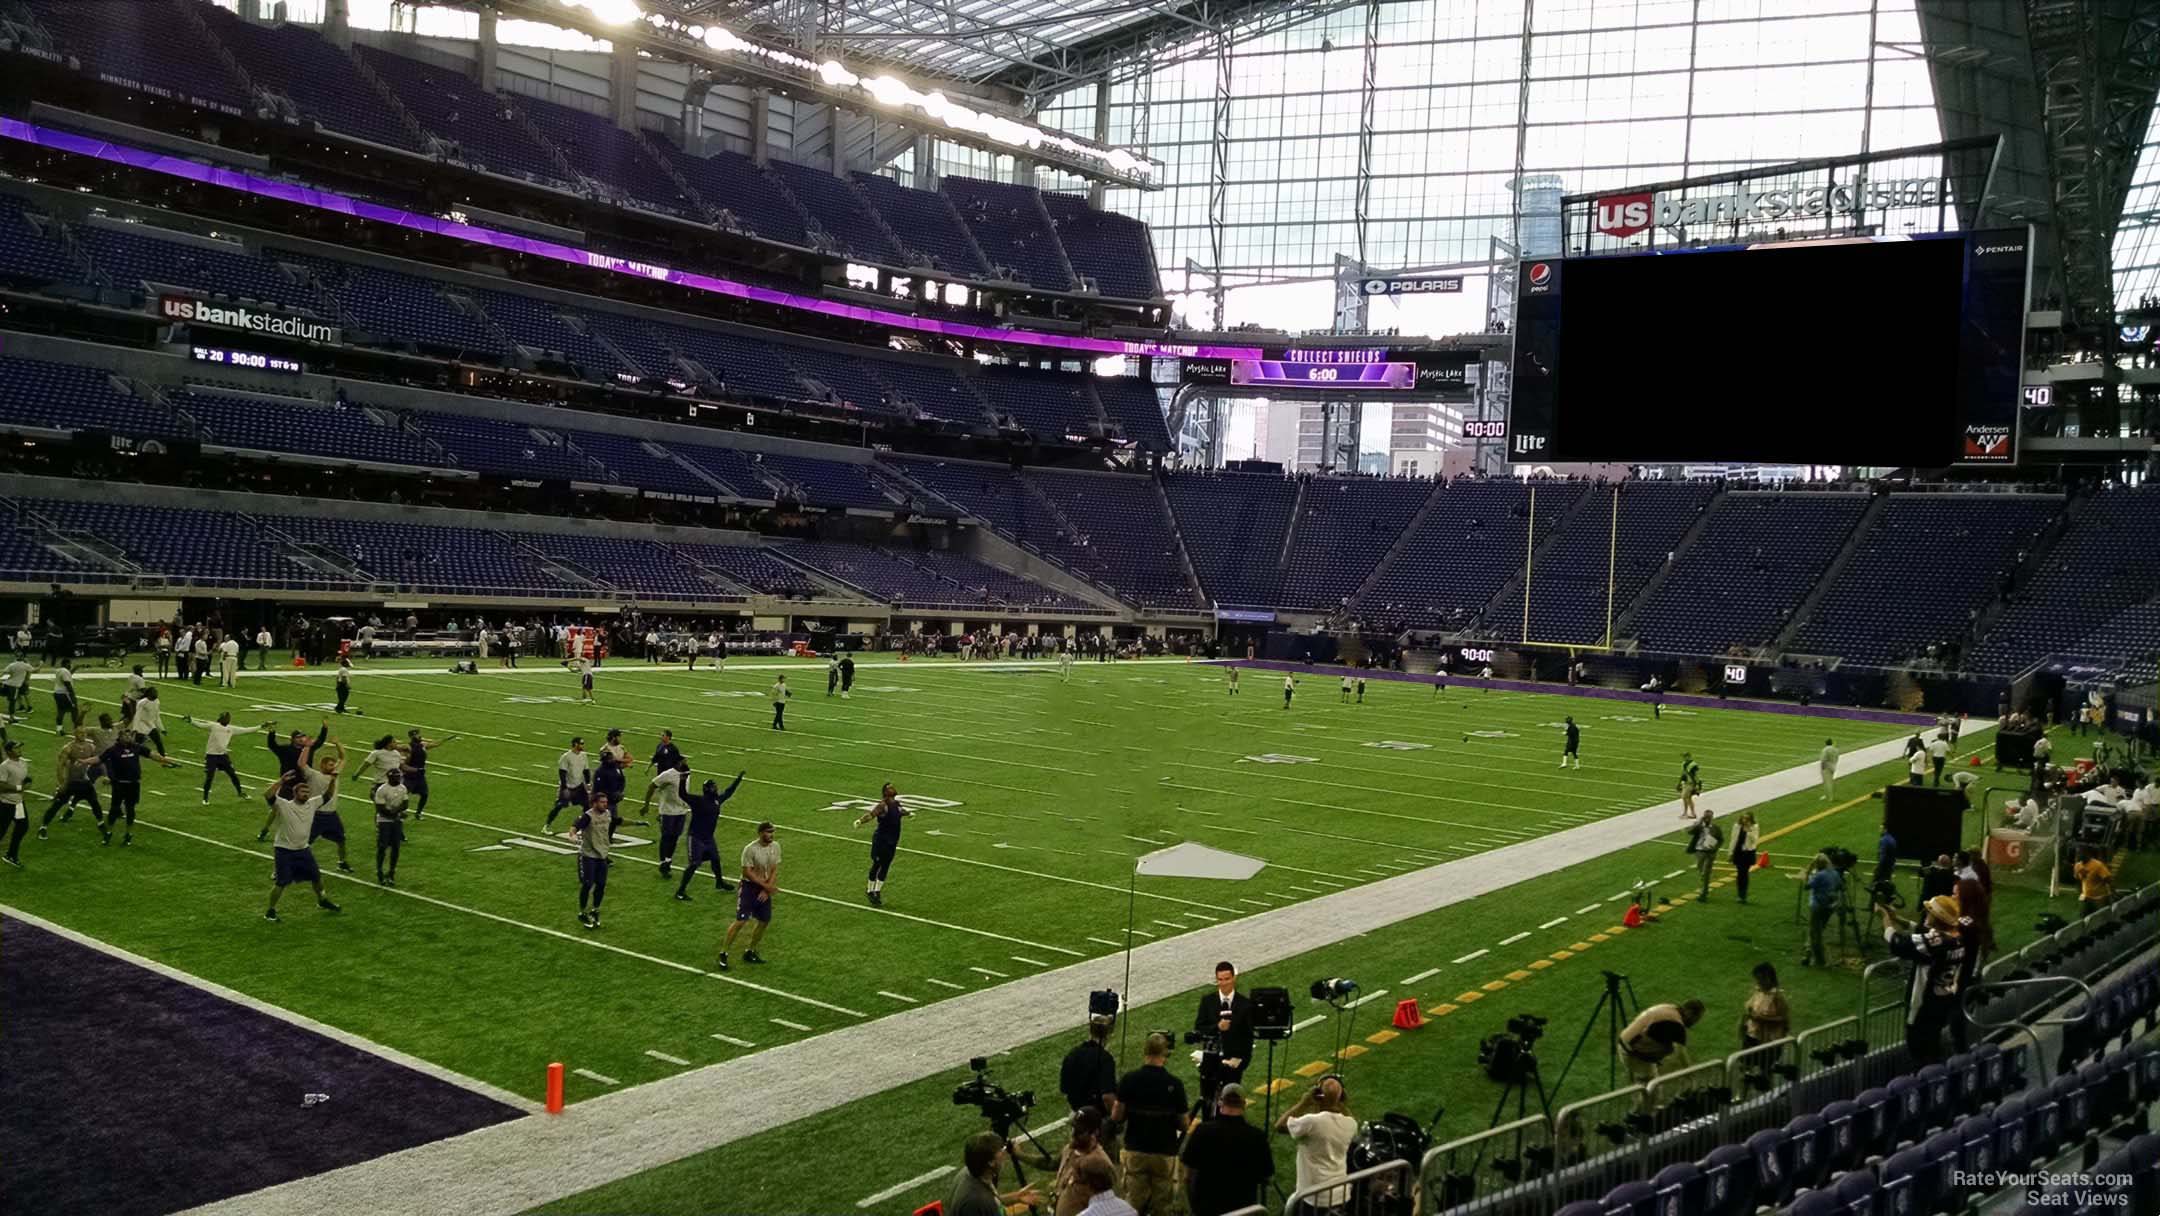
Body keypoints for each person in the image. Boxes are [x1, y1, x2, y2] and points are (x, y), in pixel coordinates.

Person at [1881, 895, 1964, 1063]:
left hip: (1923, 1008)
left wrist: (1885, 918)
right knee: (1932, 1046)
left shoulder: (1936, 943)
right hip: (1942, 1003)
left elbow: (1897, 942)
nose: (1926, 913)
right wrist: (1898, 919)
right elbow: (1926, 934)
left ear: (1938, 918)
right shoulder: (1958, 938)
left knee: (1919, 1053)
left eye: (1930, 912)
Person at [1112, 1032, 1188, 1216]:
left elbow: (1116, 1115)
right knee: (1162, 1207)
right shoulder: (1174, 1084)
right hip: (1164, 1151)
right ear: (1165, 1054)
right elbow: (1184, 1124)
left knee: (1133, 1204)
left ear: (1145, 1052)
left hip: (1136, 1149)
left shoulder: (1129, 1079)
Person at [257, 769, 341, 921]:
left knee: (316, 876)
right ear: (295, 794)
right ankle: (270, 911)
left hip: (303, 849)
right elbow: (267, 795)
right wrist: (281, 781)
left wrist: (333, 781)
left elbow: (327, 796)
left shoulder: (312, 804)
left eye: (307, 792)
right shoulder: (284, 805)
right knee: (281, 882)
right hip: (284, 850)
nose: (306, 794)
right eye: (303, 792)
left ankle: (322, 900)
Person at [1181, 1083, 1272, 1216]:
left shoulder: (1202, 1131)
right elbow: (1266, 1175)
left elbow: (1187, 1176)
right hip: (1243, 1210)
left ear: (1220, 1102)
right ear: (1244, 1104)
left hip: (1206, 1208)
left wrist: (1194, 1208)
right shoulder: (1257, 1136)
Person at [1277, 1075, 1355, 1215]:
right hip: (1340, 1194)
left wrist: (1304, 1102)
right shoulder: (1351, 1124)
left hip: (1313, 1197)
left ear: (1319, 1095)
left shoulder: (1312, 1122)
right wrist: (1338, 1101)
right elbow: (1345, 1114)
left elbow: (1280, 1125)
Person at [717, 820, 779, 970]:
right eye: (768, 832)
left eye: (772, 832)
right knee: (741, 921)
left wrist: (766, 889)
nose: (771, 835)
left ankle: (750, 951)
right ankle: (724, 952)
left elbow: (774, 869)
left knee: (764, 921)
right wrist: (766, 886)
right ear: (760, 833)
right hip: (749, 888)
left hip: (763, 887)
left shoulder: (775, 847)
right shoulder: (750, 849)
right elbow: (747, 872)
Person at [1192, 961, 1254, 1106]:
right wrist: (1217, 1027)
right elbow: (1199, 1028)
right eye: (1220, 979)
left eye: (1227, 979)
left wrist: (1241, 1061)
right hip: (1211, 1061)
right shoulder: (1207, 1001)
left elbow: (1248, 1037)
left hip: (1233, 1064)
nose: (1223, 983)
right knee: (1207, 1102)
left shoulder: (1245, 1004)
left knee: (1230, 1102)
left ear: (1234, 978)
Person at [1060, 1017, 1121, 1161]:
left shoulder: (1072, 1055)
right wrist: (1116, 1119)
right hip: (1098, 1123)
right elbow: (1107, 1096)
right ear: (1108, 1034)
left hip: (1078, 1118)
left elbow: (1064, 1089)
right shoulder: (1105, 1059)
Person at [675, 772, 742, 899]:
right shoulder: (698, 801)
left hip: (708, 838)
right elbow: (682, 794)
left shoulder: (716, 801)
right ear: (708, 789)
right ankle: (680, 891)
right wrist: (682, 780)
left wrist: (738, 780)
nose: (716, 789)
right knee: (694, 864)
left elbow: (728, 792)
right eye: (713, 787)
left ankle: (719, 882)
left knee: (715, 859)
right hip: (696, 837)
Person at [944, 1131, 1041, 1216]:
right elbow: (987, 1205)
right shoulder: (978, 1201)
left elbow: (994, 1201)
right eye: (1001, 1150)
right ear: (990, 1162)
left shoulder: (971, 1173)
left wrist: (1016, 1197)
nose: (1005, 1153)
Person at [1619, 999, 1704, 1089]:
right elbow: (1681, 1054)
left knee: (1666, 1049)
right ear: (1689, 1013)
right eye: (1696, 1019)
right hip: (1631, 1052)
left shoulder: (1670, 1008)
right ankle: (1641, 1079)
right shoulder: (1676, 1024)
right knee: (1654, 1089)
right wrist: (1691, 1074)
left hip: (1625, 1041)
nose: (1695, 1022)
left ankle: (1637, 1076)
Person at [39, 728, 104, 842]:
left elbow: (98, 761)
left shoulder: (91, 747)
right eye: (80, 733)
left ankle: (102, 825)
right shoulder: (68, 748)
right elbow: (60, 766)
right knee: (57, 805)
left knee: (95, 803)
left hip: (84, 782)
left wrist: (104, 774)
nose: (83, 735)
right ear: (75, 734)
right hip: (71, 781)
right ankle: (43, 827)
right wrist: (62, 783)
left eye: (84, 733)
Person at [852, 781, 911, 906]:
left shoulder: (896, 804)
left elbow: (900, 811)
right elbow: (871, 815)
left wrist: (909, 813)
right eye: (889, 788)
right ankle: (870, 890)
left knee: (886, 866)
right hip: (881, 840)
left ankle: (877, 891)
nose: (892, 788)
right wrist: (860, 821)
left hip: (892, 840)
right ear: (885, 792)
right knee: (877, 864)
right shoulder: (883, 805)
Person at [1054, 1107, 1120, 1216]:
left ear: (1095, 1133)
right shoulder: (1069, 1150)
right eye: (1073, 1128)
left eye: (1079, 1131)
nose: (1073, 1134)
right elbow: (1052, 1164)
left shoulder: (1099, 1163)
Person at [188, 712, 261, 803]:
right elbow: (201, 725)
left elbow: (246, 730)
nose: (227, 720)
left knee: (233, 775)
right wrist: (191, 721)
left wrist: (261, 726)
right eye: (226, 718)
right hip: (211, 756)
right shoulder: (214, 726)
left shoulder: (231, 729)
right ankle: (205, 798)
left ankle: (240, 792)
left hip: (222, 756)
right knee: (210, 777)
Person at [572, 792, 614, 929]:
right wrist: (572, 836)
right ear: (594, 803)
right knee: (587, 884)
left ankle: (595, 910)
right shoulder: (588, 816)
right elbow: (575, 827)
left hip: (602, 855)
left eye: (606, 802)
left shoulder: (607, 814)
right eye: (602, 802)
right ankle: (583, 912)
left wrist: (636, 823)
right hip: (588, 855)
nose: (605, 804)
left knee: (601, 884)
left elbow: (618, 821)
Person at [645, 756, 692, 878]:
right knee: (666, 836)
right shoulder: (667, 774)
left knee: (675, 837)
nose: (685, 763)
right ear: (677, 763)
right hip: (668, 811)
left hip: (681, 810)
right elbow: (652, 786)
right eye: (683, 761)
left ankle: (668, 859)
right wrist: (646, 805)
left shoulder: (687, 773)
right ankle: (663, 863)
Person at [98, 729, 143, 847]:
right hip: (119, 784)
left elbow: (152, 754)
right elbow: (99, 759)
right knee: (114, 809)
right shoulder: (113, 750)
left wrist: (165, 760)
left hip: (133, 784)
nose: (128, 737)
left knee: (130, 810)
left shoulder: (136, 747)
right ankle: (108, 833)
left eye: (129, 735)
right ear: (120, 737)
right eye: (125, 735)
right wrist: (84, 761)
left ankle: (128, 834)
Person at [1802, 853, 1843, 966]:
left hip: (1817, 906)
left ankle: (1819, 960)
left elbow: (1806, 886)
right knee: (1818, 930)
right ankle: (1808, 953)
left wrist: (1807, 873)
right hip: (1829, 906)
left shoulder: (1819, 875)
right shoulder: (1834, 873)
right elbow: (1840, 886)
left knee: (1815, 933)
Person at [1738, 963, 1791, 1048]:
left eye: (1760, 979)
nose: (1758, 982)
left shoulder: (1777, 996)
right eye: (1757, 979)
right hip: (1752, 1035)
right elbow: (1750, 1011)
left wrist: (1762, 1019)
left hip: (1769, 1041)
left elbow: (1784, 1019)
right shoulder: (1758, 992)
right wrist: (1744, 1025)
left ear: (1768, 978)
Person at [546, 737, 591, 833]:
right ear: (575, 744)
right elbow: (562, 772)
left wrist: (588, 783)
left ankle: (582, 827)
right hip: (568, 786)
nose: (583, 745)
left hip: (579, 786)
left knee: (587, 805)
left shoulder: (584, 755)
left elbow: (586, 770)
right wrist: (564, 788)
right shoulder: (566, 756)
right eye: (581, 743)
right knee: (559, 806)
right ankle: (547, 826)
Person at [373, 768, 409, 886]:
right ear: (390, 778)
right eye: (396, 777)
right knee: (382, 846)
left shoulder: (402, 788)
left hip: (396, 821)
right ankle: (379, 871)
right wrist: (397, 814)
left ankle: (391, 872)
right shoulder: (382, 790)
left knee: (396, 847)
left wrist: (396, 811)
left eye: (399, 776)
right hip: (384, 821)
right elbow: (381, 810)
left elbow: (405, 804)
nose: (398, 779)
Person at [0, 740, 27, 867]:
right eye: (16, 748)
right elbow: (1, 786)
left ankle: (11, 854)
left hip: (19, 803)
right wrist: (19, 788)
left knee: (23, 826)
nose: (19, 749)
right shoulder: (4, 766)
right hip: (6, 804)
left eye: (19, 747)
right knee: (1, 831)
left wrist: (27, 783)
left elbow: (22, 780)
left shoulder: (23, 762)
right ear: (9, 751)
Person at [1688, 810, 1724, 899]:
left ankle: (1703, 893)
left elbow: (1721, 839)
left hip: (1710, 852)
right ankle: (1705, 885)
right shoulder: (1699, 826)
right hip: (1699, 851)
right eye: (1705, 817)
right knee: (1701, 871)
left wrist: (1716, 847)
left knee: (1706, 872)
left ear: (1712, 818)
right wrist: (1699, 822)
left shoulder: (1716, 828)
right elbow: (1690, 832)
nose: (1707, 819)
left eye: (1709, 817)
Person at [1729, 811, 1760, 903]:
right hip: (1738, 852)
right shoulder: (1736, 826)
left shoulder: (1754, 827)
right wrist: (1730, 853)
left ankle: (1743, 895)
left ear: (1751, 819)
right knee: (1740, 873)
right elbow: (1733, 839)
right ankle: (1740, 894)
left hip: (1748, 853)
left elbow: (1754, 840)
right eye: (1743, 818)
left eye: (1747, 819)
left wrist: (1749, 831)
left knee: (1744, 873)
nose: (1745, 820)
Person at [2074, 848, 2114, 917]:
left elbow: (2108, 879)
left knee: (2101, 917)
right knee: (2084, 917)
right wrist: (2081, 892)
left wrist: (2111, 893)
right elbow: (2078, 879)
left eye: (2080, 853)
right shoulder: (2077, 866)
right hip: (2086, 897)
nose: (2078, 855)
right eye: (2077, 853)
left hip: (2100, 898)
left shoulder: (2098, 865)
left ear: (2087, 854)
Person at [50, 661, 79, 732]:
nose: (71, 665)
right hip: (65, 694)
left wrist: (75, 668)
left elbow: (68, 675)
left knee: (61, 711)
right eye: (70, 664)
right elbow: (67, 683)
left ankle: (59, 729)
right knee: (74, 710)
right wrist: (72, 695)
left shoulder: (59, 670)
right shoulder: (65, 671)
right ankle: (76, 728)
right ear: (67, 664)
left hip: (57, 693)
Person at [1676, 752, 1702, 817]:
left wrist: (1698, 786)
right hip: (1685, 783)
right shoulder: (1683, 764)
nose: (1684, 758)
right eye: (1683, 756)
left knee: (1686, 797)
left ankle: (1691, 813)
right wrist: (1680, 783)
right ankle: (1687, 813)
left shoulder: (1693, 764)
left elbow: (1696, 775)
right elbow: (1683, 774)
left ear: (1689, 756)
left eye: (1685, 756)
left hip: (1691, 783)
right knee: (1686, 798)